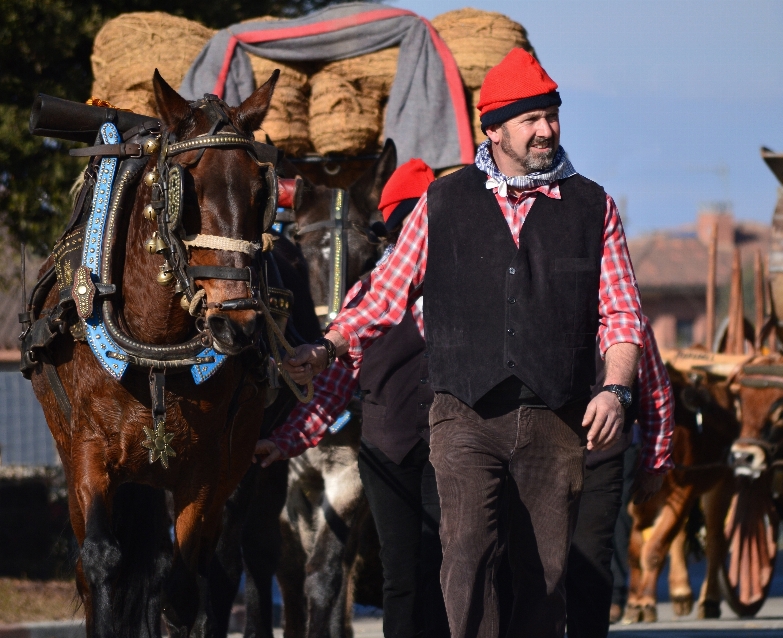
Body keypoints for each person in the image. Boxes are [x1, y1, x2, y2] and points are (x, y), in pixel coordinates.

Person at [283, 48, 665, 638]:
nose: (546, 130)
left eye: (551, 115)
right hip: (462, 414)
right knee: (464, 559)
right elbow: (384, 293)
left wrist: (615, 389)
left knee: (543, 574)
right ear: (495, 130)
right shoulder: (443, 201)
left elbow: (621, 313)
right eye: (530, 119)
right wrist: (329, 345)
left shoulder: (594, 206)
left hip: (553, 419)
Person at [255, 159, 450, 638]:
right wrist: (286, 441)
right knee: (403, 577)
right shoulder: (368, 295)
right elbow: (337, 385)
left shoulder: (469, 291)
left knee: (448, 569)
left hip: (454, 454)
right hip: (393, 453)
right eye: (404, 229)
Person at [565, 315, 673, 637]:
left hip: (606, 453)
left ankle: (615, 598)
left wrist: (655, 462)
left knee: (596, 552)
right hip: (543, 452)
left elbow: (656, 390)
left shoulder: (629, 321)